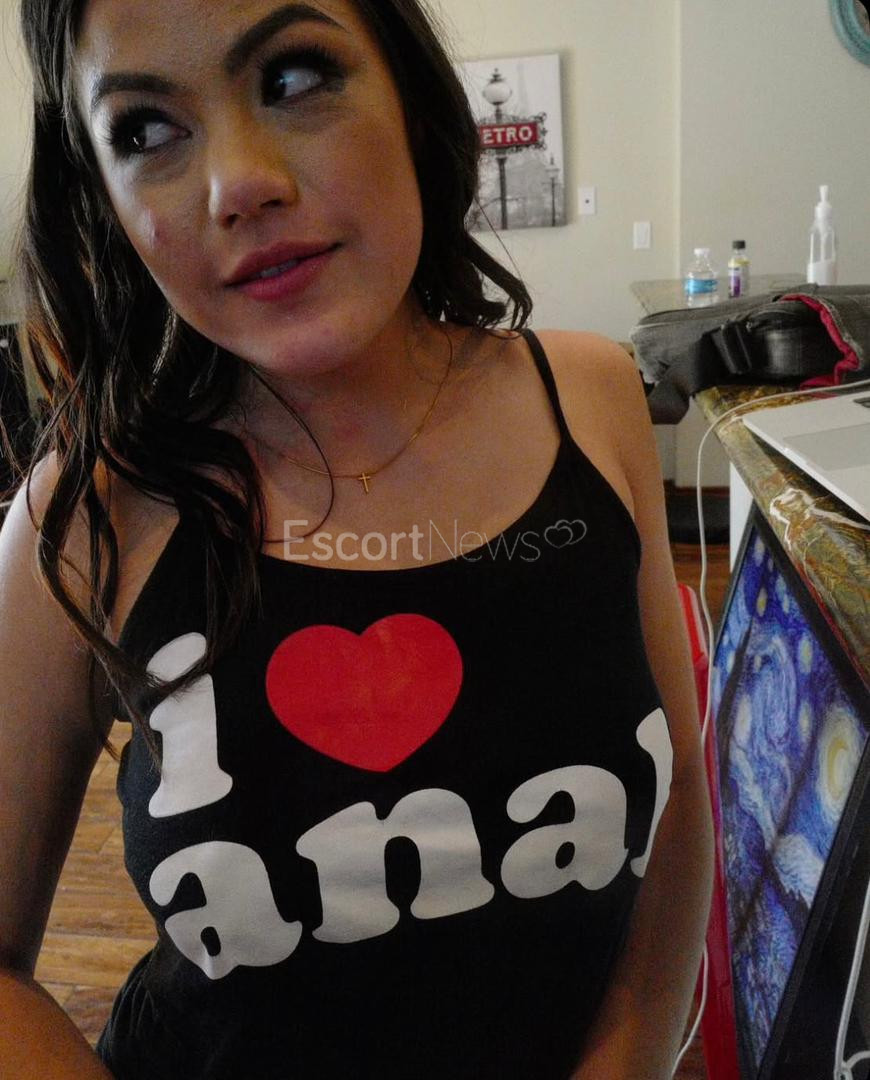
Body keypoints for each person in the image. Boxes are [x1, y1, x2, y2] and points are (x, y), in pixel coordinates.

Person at [0, 0, 713, 1076]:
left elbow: (683, 787)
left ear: (410, 92)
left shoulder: (593, 398)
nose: (238, 183)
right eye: (146, 129)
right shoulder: (88, 514)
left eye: (293, 77)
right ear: (101, 196)